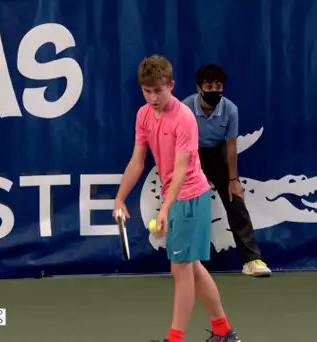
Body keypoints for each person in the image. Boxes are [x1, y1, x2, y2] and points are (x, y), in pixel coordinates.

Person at [113, 55, 241, 342]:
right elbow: (137, 160)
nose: (153, 97)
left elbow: (182, 169)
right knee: (192, 266)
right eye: (146, 91)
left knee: (180, 269)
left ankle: (175, 339)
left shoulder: (184, 118)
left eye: (158, 90)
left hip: (189, 197)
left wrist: (165, 209)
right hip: (175, 198)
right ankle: (223, 332)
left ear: (170, 85)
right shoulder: (143, 115)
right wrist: (120, 198)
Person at [182, 64, 271, 277]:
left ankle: (251, 260)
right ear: (199, 88)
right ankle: (186, 261)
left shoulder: (230, 109)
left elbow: (231, 145)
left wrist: (233, 179)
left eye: (218, 86)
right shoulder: (185, 108)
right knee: (187, 205)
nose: (214, 90)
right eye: (209, 85)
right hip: (190, 154)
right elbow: (181, 142)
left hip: (217, 154)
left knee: (236, 201)